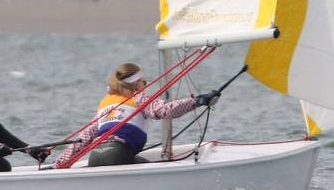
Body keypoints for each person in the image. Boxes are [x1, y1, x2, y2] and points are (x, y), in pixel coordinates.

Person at [54, 61, 221, 168]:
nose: (146, 85)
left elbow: (82, 140)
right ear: (136, 83)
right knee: (155, 169)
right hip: (118, 155)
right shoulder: (138, 97)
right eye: (143, 81)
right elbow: (162, 111)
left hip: (96, 158)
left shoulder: (106, 102)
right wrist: (198, 101)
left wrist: (59, 164)